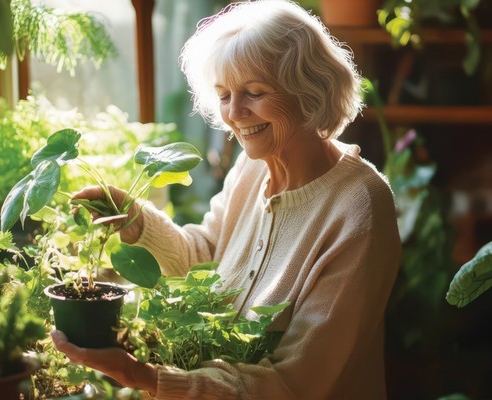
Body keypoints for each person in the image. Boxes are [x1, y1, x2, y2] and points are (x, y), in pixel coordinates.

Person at [50, 0, 402, 398]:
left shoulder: (360, 206)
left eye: (254, 92)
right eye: (223, 95)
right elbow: (206, 260)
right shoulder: (253, 167)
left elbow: (295, 383)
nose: (235, 113)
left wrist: (148, 379)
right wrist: (136, 221)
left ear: (309, 91)